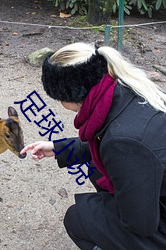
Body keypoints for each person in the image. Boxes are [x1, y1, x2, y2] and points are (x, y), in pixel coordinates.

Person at [20, 42, 166, 250]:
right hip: (157, 188)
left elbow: (141, 224)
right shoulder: (125, 88)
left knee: (78, 218)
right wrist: (58, 148)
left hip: (157, 221)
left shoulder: (123, 142)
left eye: (59, 97)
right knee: (96, 170)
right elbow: (106, 138)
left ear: (71, 93)